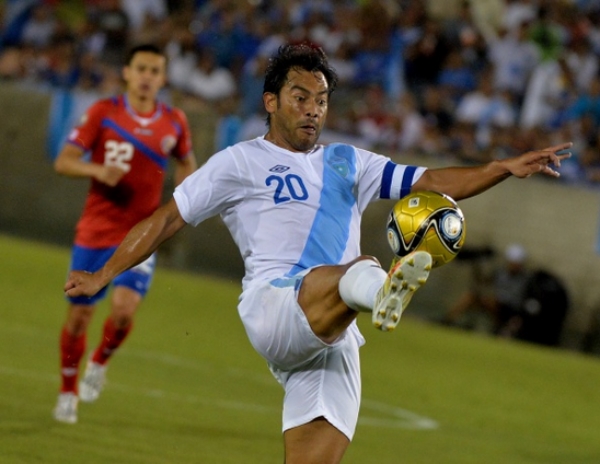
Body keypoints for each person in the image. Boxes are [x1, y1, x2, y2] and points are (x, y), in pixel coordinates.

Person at [63, 44, 571, 462]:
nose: (313, 109)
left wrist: (503, 166)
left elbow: (432, 182)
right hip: (275, 304)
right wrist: (101, 274)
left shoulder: (350, 161)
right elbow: (165, 218)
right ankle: (382, 289)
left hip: (333, 343)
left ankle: (376, 292)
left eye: (322, 100)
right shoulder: (240, 161)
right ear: (270, 101)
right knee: (360, 269)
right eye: (300, 97)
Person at [52, 43, 198, 424]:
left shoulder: (175, 121)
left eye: (155, 70)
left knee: (122, 311)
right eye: (142, 69)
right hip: (96, 229)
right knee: (80, 318)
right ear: (128, 73)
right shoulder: (104, 112)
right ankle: (68, 391)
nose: (148, 76)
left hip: (140, 234)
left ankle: (99, 362)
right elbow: (64, 161)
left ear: (163, 78)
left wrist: (187, 198)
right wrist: (97, 171)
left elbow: (186, 162)